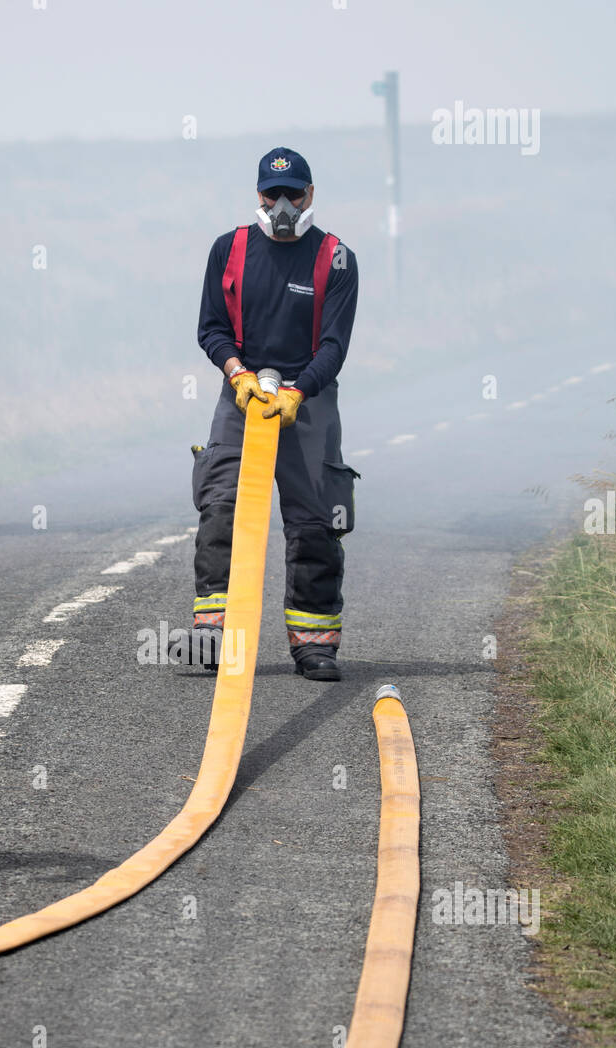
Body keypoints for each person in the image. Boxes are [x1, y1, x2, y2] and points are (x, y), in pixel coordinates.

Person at [193, 146, 359, 680]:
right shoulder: (228, 249)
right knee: (221, 507)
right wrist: (238, 374)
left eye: (294, 193)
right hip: (242, 396)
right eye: (273, 193)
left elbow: (334, 345)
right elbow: (210, 329)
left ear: (310, 195)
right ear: (258, 195)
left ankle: (314, 646)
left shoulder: (336, 259)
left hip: (306, 400)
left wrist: (298, 390)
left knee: (313, 521)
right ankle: (212, 636)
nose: (283, 203)